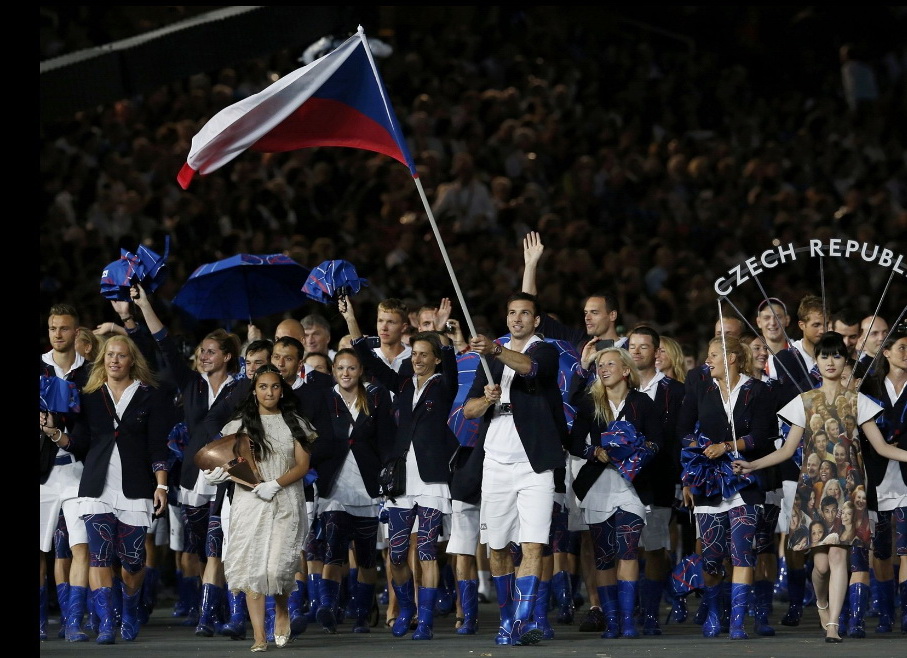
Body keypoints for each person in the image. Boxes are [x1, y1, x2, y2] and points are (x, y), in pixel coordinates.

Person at [733, 332, 907, 643]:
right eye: (825, 356)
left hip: (849, 490)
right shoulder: (805, 401)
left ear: (845, 360)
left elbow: (882, 447)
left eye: (837, 355)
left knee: (839, 557)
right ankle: (822, 602)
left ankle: (833, 625)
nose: (830, 362)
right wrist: (752, 465)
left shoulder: (858, 401)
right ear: (817, 361)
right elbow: (788, 450)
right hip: (813, 488)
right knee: (821, 566)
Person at [40, 333, 175, 644]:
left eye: (121, 355)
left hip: (136, 488)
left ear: (132, 360)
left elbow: (158, 446)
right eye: (110, 355)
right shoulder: (90, 395)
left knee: (133, 561)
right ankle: (106, 623)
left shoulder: (149, 395)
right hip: (95, 487)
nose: (114, 360)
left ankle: (129, 607)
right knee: (99, 557)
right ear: (103, 360)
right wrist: (54, 434)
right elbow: (80, 441)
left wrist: (161, 485)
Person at [131, 283, 245, 636]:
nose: (203, 356)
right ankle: (214, 609)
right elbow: (164, 343)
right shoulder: (191, 383)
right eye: (201, 351)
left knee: (220, 546)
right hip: (194, 479)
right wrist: (144, 305)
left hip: (230, 477)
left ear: (227, 356)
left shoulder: (242, 387)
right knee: (201, 549)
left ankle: (216, 616)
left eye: (211, 351)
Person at [463, 292, 568, 646]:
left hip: (535, 463)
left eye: (524, 313)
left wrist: (494, 349)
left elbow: (531, 368)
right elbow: (468, 411)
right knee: (497, 547)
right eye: (512, 313)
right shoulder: (490, 358)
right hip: (495, 460)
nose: (517, 318)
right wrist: (486, 399)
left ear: (536, 321)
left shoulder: (545, 350)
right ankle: (507, 620)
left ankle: (522, 621)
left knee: (533, 543)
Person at [204, 363, 317, 651]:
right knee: (252, 567)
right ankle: (258, 636)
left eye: (275, 386)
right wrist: (218, 474)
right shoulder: (239, 425)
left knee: (278, 568)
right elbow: (227, 461)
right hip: (249, 501)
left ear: (282, 390)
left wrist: (275, 484)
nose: (269, 392)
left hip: (286, 499)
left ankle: (281, 611)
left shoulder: (295, 422)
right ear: (254, 391)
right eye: (263, 387)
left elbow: (303, 465)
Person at [678, 335, 775, 639]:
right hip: (708, 480)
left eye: (713, 355)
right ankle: (713, 611)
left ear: (731, 358)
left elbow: (762, 435)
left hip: (745, 479)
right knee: (712, 556)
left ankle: (737, 622)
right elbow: (683, 431)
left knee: (743, 552)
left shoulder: (757, 391)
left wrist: (728, 446)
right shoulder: (701, 388)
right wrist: (694, 460)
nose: (708, 361)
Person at [569, 346, 662, 639]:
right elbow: (574, 443)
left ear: (625, 370)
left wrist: (637, 454)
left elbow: (657, 441)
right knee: (603, 555)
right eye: (600, 365)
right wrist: (595, 452)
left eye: (610, 364)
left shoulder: (642, 402)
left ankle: (628, 620)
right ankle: (611, 621)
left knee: (628, 549)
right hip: (598, 486)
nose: (603, 369)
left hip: (632, 487)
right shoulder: (590, 402)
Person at [309, 348, 394, 633]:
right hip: (333, 488)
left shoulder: (375, 397)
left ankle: (361, 615)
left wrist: (387, 480)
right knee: (333, 549)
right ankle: (327, 607)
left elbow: (385, 440)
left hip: (368, 488)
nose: (346, 373)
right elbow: (314, 437)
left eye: (352, 368)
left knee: (366, 556)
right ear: (333, 370)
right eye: (341, 368)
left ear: (360, 371)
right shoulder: (323, 398)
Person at [625, 325, 684, 635]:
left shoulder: (676, 391)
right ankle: (627, 611)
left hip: (660, 478)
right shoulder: (616, 387)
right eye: (631, 346)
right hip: (622, 480)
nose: (636, 351)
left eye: (643, 346)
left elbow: (679, 439)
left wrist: (680, 479)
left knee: (655, 545)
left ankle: (650, 613)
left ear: (657, 351)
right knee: (626, 547)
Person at [40, 303, 92, 642]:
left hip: (77, 471)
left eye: (64, 328)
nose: (57, 334)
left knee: (80, 546)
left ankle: (73, 622)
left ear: (76, 332)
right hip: (43, 475)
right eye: (53, 328)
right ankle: (41, 623)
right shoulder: (39, 367)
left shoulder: (90, 372)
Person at [860, 328, 907, 634]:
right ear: (886, 352)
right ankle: (886, 611)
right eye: (902, 347)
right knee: (881, 549)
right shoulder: (870, 386)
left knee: (906, 547)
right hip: (876, 473)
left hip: (906, 475)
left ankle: (906, 613)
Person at [755, 298, 792, 379]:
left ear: (787, 320)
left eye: (778, 317)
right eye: (766, 318)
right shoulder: (752, 356)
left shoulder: (798, 351)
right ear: (759, 322)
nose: (772, 323)